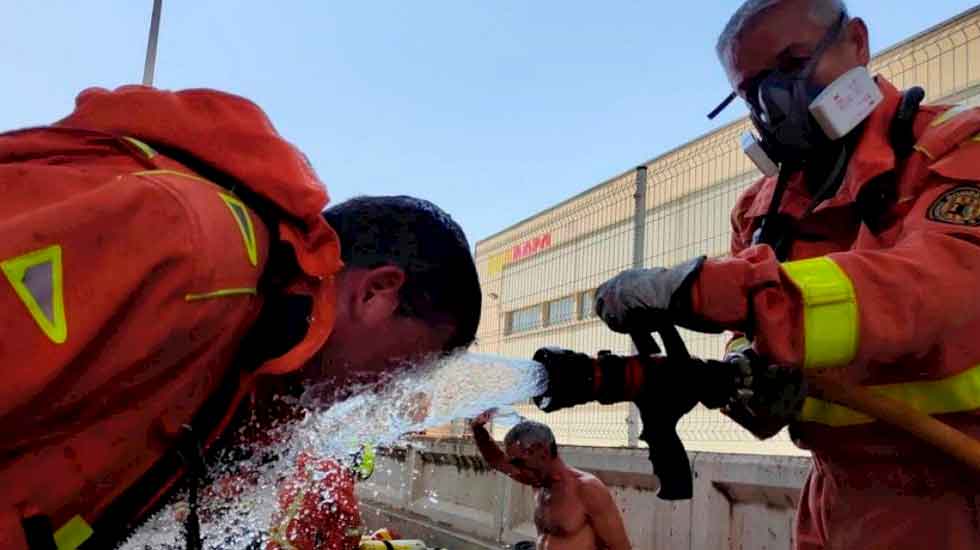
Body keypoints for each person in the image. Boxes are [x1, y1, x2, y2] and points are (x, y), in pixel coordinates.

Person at [0, 85, 482, 550]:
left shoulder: (252, 353)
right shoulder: (189, 247)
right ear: (377, 292)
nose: (385, 392)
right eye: (406, 368)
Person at [592, 1, 980, 548]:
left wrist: (714, 290)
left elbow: (935, 289)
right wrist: (744, 374)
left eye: (794, 64)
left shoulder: (956, 147)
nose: (775, 102)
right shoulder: (761, 211)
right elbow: (750, 338)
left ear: (858, 43)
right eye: (753, 91)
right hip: (832, 498)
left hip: (959, 490)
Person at [470, 412, 631, 550]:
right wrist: (477, 428)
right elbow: (497, 460)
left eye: (519, 462)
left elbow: (620, 548)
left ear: (543, 452)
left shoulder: (586, 489)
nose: (517, 470)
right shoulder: (537, 480)